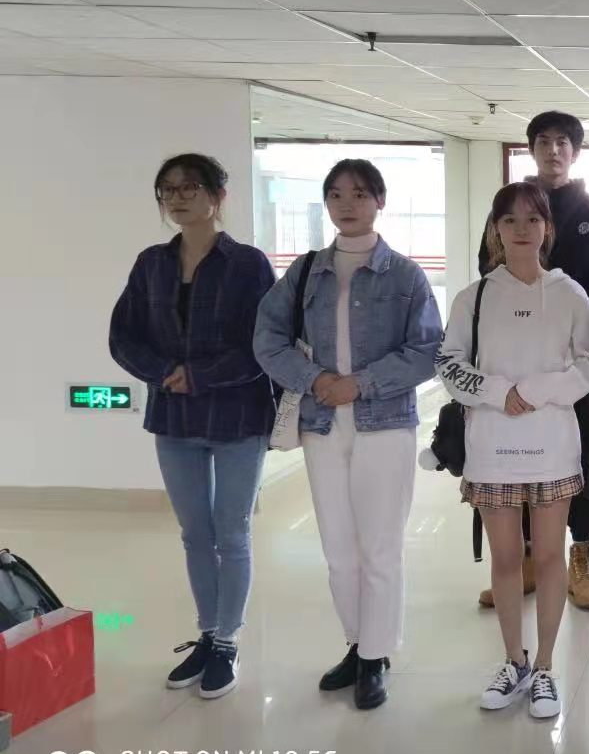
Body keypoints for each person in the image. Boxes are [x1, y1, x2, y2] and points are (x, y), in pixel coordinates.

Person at [254, 159, 442, 711]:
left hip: (384, 423)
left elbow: (427, 349)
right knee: (338, 549)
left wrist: (360, 384)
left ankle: (376, 656)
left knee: (379, 547)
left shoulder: (404, 275)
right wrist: (316, 380)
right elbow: (267, 339)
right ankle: (357, 644)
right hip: (320, 423)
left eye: (359, 194)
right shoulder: (305, 271)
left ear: (379, 201)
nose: (347, 204)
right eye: (336, 194)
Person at [108, 154, 277, 701]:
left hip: (237, 415)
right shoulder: (151, 264)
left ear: (218, 196)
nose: (178, 198)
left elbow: (264, 343)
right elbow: (122, 336)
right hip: (174, 417)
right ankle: (207, 634)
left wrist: (199, 376)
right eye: (168, 190)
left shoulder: (247, 264)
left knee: (232, 531)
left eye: (190, 187)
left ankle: (227, 641)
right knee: (194, 533)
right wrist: (163, 372)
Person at [435, 183, 589, 720]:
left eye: (533, 219)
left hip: (552, 447)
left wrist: (539, 391)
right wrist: (497, 393)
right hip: (492, 448)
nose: (522, 229)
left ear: (547, 228)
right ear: (495, 230)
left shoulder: (570, 293)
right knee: (506, 560)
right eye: (510, 220)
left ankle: (545, 666)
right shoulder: (475, 296)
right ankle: (514, 662)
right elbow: (449, 363)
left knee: (550, 557)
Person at [478, 111, 589, 613]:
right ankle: (526, 560)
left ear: (574, 152)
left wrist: (571, 341)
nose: (553, 150)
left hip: (571, 364)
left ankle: (579, 557)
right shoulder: (509, 204)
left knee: (576, 454)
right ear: (531, 148)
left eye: (562, 142)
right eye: (543, 141)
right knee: (513, 455)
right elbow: (487, 273)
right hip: (512, 362)